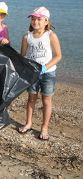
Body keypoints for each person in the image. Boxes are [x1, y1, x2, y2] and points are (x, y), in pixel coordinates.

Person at [18, 7, 62, 141]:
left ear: (46, 21)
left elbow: (58, 56)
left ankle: (44, 127)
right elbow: (23, 56)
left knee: (46, 100)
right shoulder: (27, 37)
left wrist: (45, 67)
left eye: (39, 19)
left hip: (48, 74)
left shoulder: (51, 35)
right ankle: (29, 123)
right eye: (33, 19)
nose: (35, 22)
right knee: (31, 98)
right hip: (33, 74)